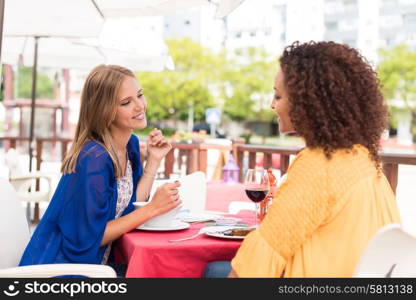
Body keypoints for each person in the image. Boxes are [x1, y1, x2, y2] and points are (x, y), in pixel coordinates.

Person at [206, 41, 401, 278]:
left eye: (278, 96)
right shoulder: (363, 158)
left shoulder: (319, 163)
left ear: (306, 102)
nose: (271, 104)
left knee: (214, 271)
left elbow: (262, 256)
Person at [19, 65, 181, 275]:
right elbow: (87, 239)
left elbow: (129, 208)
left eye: (139, 95)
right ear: (104, 110)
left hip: (96, 267)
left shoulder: (130, 144)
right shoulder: (94, 158)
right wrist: (152, 209)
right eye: (126, 102)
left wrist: (154, 161)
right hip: (59, 271)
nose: (139, 106)